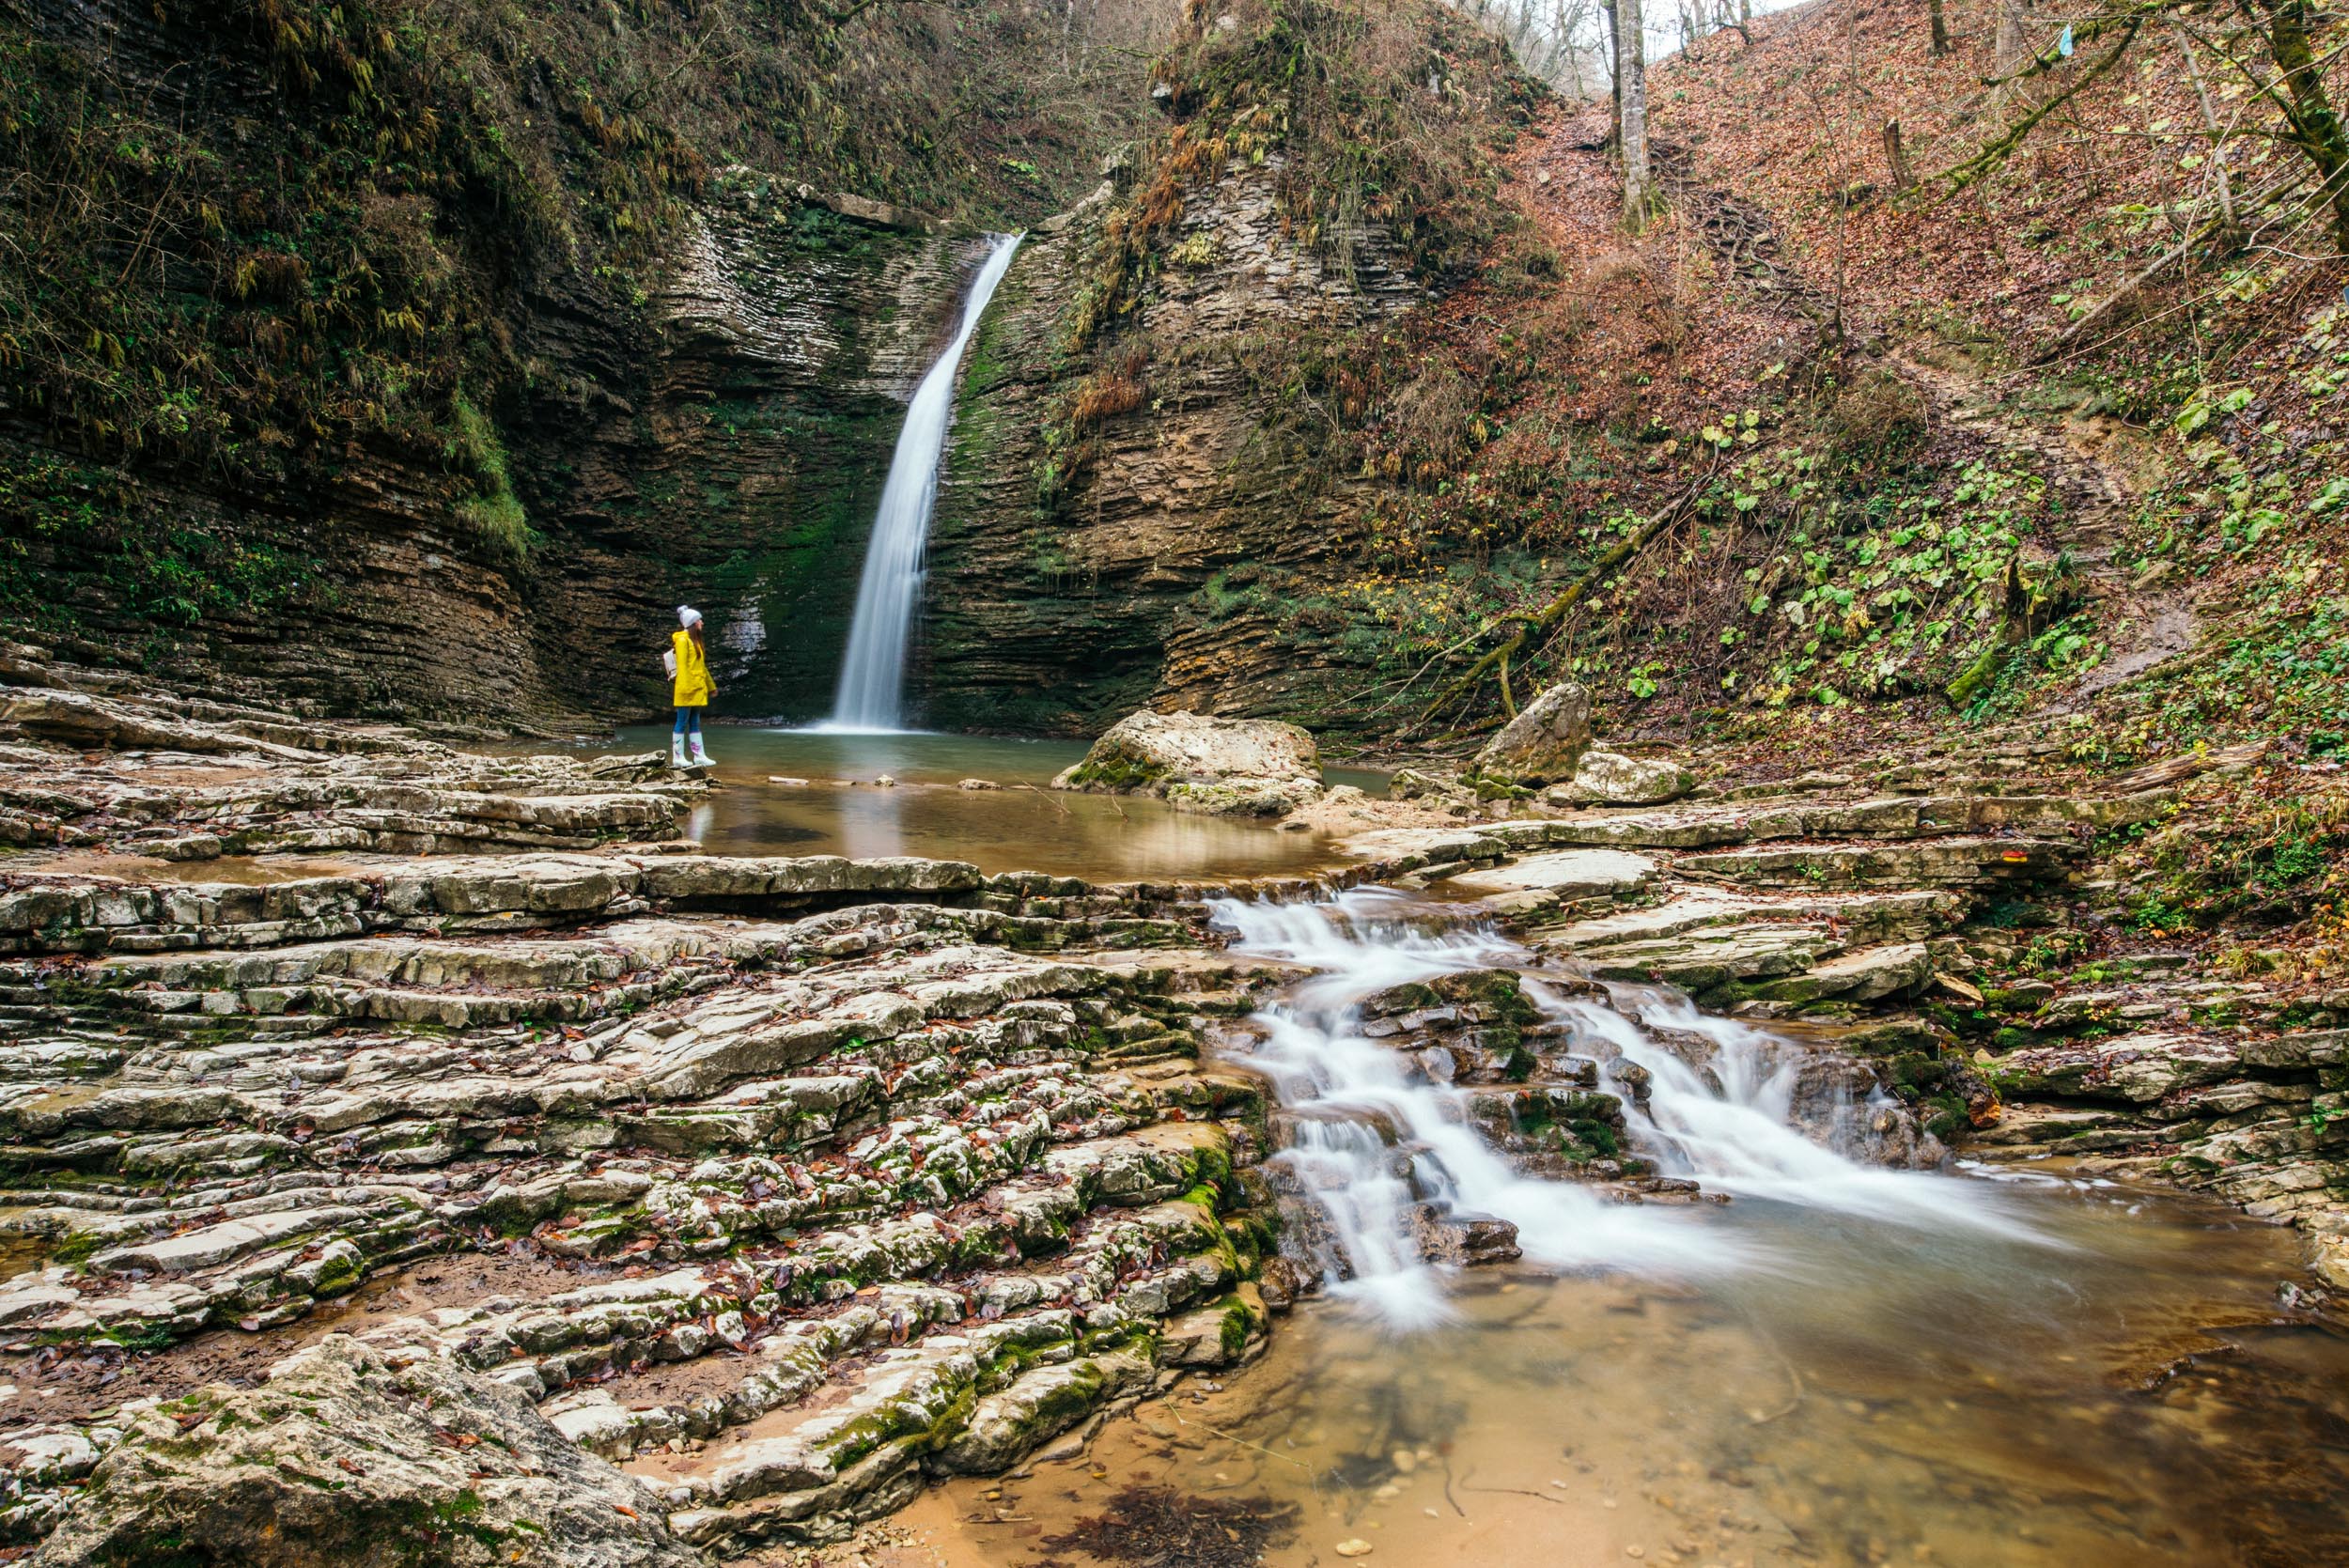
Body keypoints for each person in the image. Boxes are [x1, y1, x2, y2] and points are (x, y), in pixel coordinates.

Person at [663, 606, 714, 768]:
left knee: (695, 722)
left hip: (698, 689)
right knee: (681, 722)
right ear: (692, 623)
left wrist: (711, 686)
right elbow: (683, 667)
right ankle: (678, 757)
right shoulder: (683, 641)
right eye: (699, 620)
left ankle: (699, 756)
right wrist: (685, 689)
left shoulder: (696, 642)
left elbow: (702, 668)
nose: (702, 623)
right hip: (687, 690)